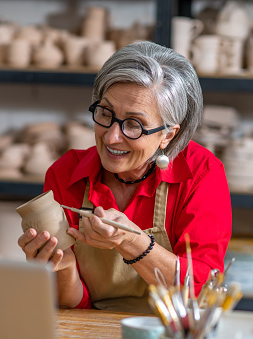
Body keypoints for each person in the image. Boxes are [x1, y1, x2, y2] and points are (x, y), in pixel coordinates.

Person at [18, 41, 232, 313]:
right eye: (106, 113)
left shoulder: (201, 173)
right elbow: (73, 305)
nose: (111, 136)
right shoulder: (66, 173)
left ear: (168, 134)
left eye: (134, 124)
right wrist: (61, 264)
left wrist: (131, 241)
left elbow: (202, 289)